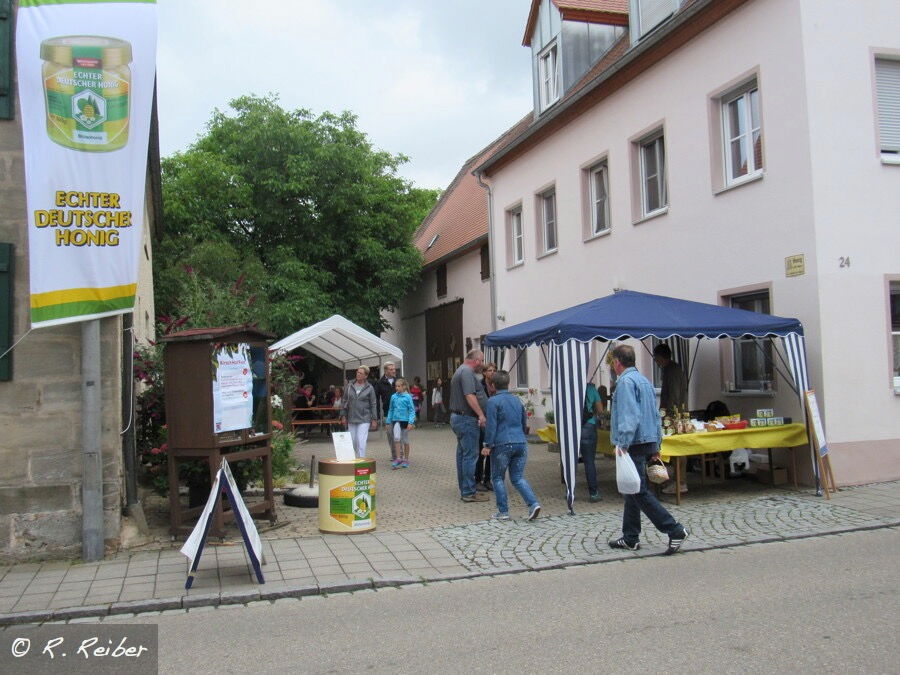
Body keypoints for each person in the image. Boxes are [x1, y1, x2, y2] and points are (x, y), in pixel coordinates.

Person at [607, 344, 689, 555]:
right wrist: (656, 445)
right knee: (631, 489)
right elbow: (654, 415)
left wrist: (622, 444)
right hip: (645, 440)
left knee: (638, 491)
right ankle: (630, 537)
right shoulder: (644, 381)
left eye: (613, 362)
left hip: (633, 442)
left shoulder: (625, 382)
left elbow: (630, 415)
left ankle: (674, 529)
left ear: (617, 362)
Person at [481, 370, 541, 521]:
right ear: (508, 383)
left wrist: (487, 445)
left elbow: (491, 425)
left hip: (502, 444)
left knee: (497, 478)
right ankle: (533, 504)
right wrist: (522, 437)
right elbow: (523, 422)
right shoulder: (517, 400)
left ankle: (503, 511)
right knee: (517, 478)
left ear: (492, 385)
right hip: (520, 442)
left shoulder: (492, 402)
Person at [449, 349, 490, 502]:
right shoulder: (466, 372)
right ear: (476, 360)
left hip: (460, 418)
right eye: (482, 360)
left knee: (463, 455)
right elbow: (469, 395)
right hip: (466, 419)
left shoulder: (461, 370)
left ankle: (466, 490)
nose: (483, 364)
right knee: (470, 456)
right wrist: (481, 415)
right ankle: (468, 492)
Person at [340, 367, 378, 458]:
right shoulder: (349, 386)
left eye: (361, 373)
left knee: (361, 441)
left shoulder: (370, 388)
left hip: (364, 418)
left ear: (366, 376)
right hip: (351, 417)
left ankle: (361, 460)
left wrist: (374, 419)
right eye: (357, 372)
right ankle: (352, 459)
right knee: (352, 441)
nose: (358, 374)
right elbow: (344, 401)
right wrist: (343, 415)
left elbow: (373, 404)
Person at [580, 380, 605, 502]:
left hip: (573, 427)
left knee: (570, 461)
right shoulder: (591, 389)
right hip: (589, 426)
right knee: (589, 461)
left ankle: (569, 491)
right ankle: (593, 493)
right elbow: (600, 410)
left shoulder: (569, 387)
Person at [474, 363, 497, 491]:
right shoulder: (480, 385)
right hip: (482, 421)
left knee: (491, 452)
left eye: (494, 370)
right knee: (481, 451)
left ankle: (488, 479)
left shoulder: (497, 385)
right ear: (484, 372)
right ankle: (477, 480)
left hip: (493, 421)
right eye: (490, 370)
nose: (492, 372)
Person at [386, 378, 416, 469]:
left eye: (399, 386)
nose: (397, 388)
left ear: (404, 387)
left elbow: (412, 410)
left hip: (405, 421)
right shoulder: (393, 397)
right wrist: (388, 421)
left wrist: (410, 422)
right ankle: (398, 458)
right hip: (396, 421)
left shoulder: (408, 397)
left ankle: (406, 459)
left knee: (405, 440)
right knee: (396, 439)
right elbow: (391, 409)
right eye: (396, 386)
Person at [375, 362, 401, 464]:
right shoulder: (380, 383)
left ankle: (400, 455)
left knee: (398, 434)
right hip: (387, 413)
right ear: (385, 370)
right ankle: (395, 455)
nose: (394, 371)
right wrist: (377, 415)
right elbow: (376, 400)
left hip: (400, 412)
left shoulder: (399, 380)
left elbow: (406, 393)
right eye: (391, 369)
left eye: (394, 369)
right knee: (390, 434)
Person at [652, 343, 687, 413]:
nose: (654, 359)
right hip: (670, 412)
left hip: (674, 413)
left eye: (655, 356)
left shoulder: (673, 371)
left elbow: (674, 396)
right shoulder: (668, 369)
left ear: (660, 356)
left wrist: (668, 414)